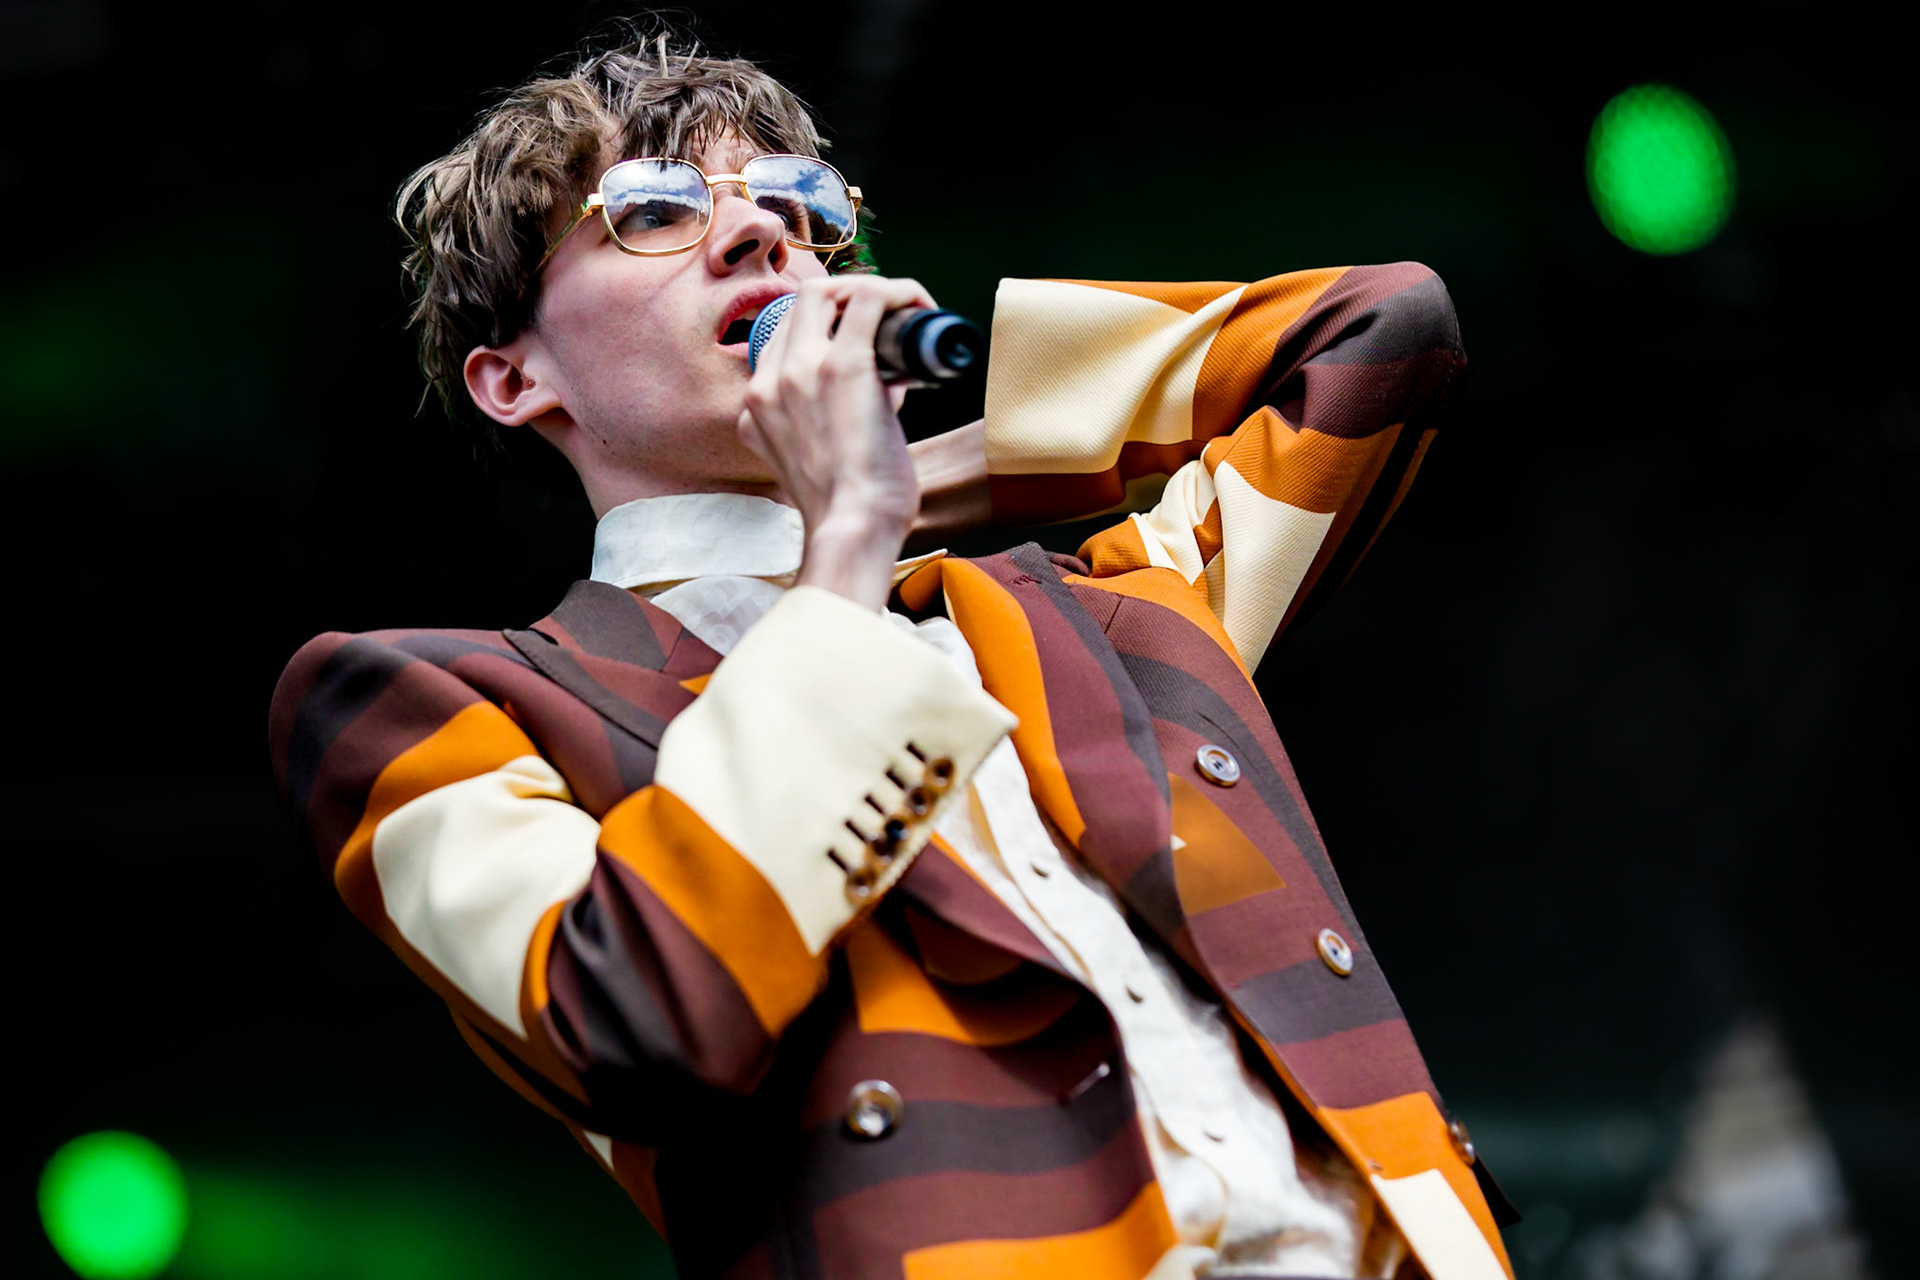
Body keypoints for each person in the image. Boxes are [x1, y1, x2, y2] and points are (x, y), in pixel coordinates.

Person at [269, 29, 1513, 1280]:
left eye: (804, 208)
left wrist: (904, 486)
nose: (767, 239)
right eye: (653, 207)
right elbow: (633, 1015)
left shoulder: (1103, 611)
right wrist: (843, 536)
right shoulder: (432, 701)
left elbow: (1374, 334)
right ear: (510, 377)